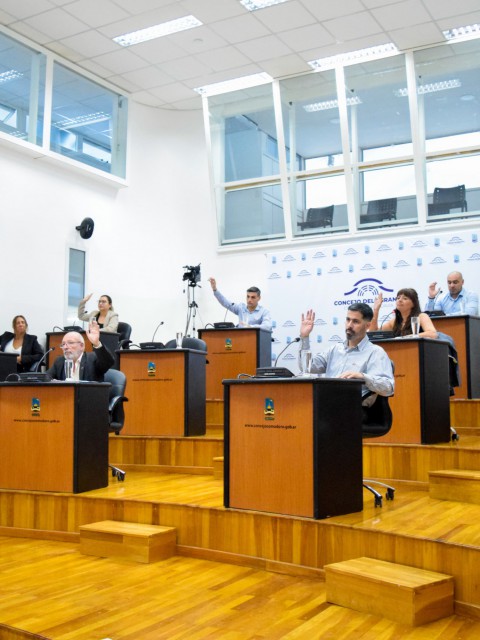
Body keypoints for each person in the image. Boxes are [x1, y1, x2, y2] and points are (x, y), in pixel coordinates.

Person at [299, 303, 394, 399]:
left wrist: (362, 377)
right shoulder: (334, 349)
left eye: (355, 321)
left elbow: (388, 388)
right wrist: (304, 337)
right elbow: (307, 367)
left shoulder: (375, 352)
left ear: (367, 325)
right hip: (327, 401)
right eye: (348, 320)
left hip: (355, 404)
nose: (349, 325)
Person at [47, 320, 114, 382]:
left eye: (70, 343)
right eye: (63, 344)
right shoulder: (60, 361)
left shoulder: (92, 359)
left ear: (81, 346)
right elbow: (46, 377)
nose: (65, 347)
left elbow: (108, 362)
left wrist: (97, 343)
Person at [208, 277, 272, 330]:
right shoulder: (241, 308)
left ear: (259, 298)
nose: (249, 300)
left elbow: (267, 326)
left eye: (253, 297)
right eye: (248, 296)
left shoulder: (264, 311)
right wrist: (214, 289)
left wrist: (250, 327)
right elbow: (225, 302)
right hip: (241, 339)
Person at [372, 288, 438, 339]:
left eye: (405, 298)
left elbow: (432, 334)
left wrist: (405, 338)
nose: (400, 300)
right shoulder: (394, 321)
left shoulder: (421, 316)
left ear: (414, 304)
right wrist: (376, 310)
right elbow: (373, 334)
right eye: (398, 298)